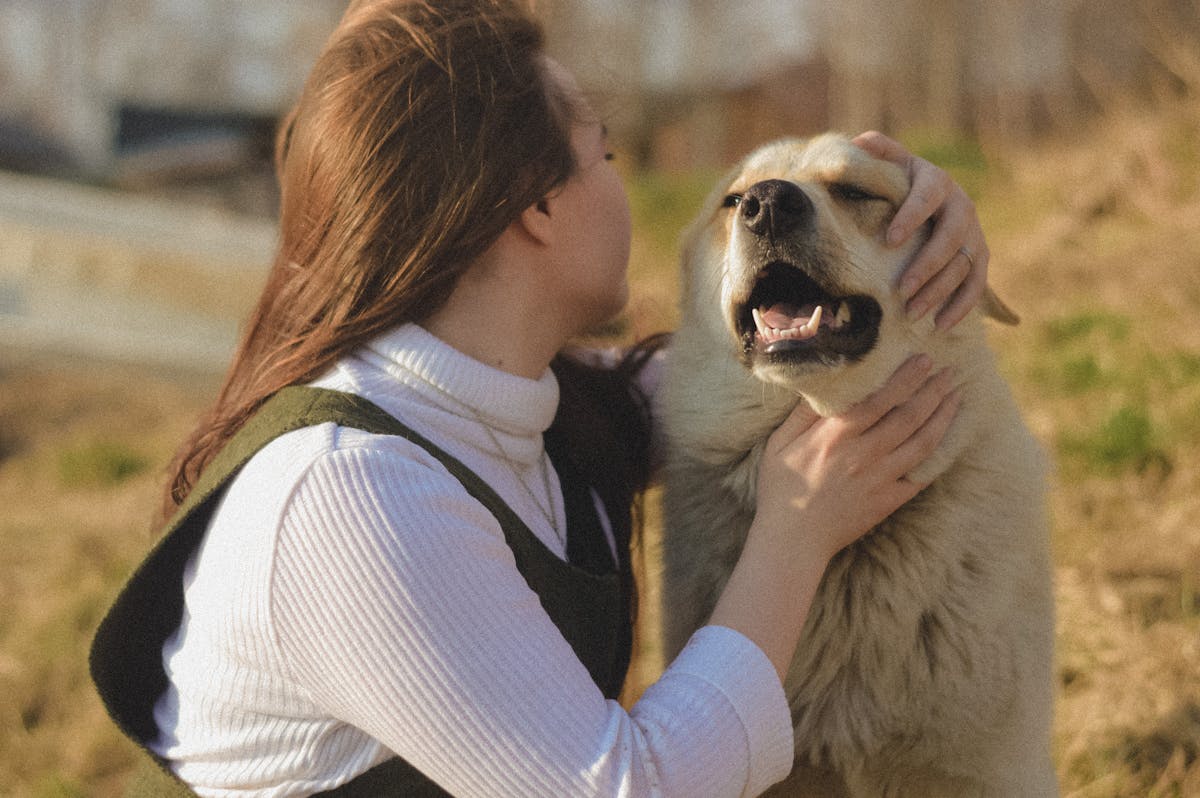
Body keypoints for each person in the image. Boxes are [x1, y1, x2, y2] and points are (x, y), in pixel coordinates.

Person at [89, 1, 991, 796]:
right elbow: (627, 789)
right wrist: (794, 533)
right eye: (602, 153)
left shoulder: (529, 403)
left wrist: (920, 225)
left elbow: (770, 375)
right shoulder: (351, 495)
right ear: (536, 205)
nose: (625, 182)